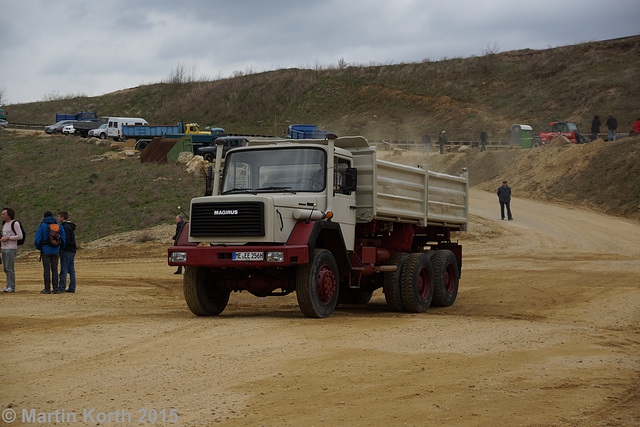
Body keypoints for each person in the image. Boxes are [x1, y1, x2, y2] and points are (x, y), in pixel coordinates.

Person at [34, 211, 66, 294]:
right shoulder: (58, 225)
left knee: (46, 270)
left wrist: (40, 248)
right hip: (56, 250)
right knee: (55, 269)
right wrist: (60, 248)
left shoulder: (42, 225)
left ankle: (47, 289)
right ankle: (56, 288)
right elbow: (63, 239)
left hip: (45, 251)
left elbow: (37, 239)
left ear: (44, 217)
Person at [1, 207, 23, 293]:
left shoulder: (15, 223)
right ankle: (7, 285)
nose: (2, 216)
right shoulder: (5, 224)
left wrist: (8, 238)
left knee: (10, 268)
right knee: (6, 268)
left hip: (11, 248)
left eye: (4, 214)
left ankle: (12, 287)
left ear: (9, 215)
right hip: (4, 248)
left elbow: (20, 236)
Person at [57, 211, 77, 293]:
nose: (58, 218)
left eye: (59, 217)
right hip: (72, 250)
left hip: (67, 250)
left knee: (64, 269)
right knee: (71, 269)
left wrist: (62, 248)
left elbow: (65, 240)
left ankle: (61, 287)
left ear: (62, 218)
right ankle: (72, 287)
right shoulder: (70, 226)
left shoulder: (65, 227)